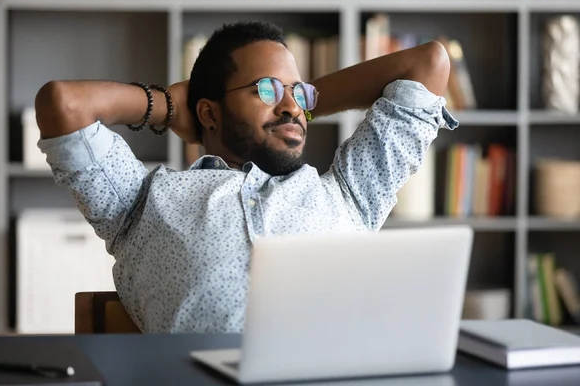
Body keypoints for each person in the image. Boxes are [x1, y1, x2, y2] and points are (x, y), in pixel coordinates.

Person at [35, 20, 457, 333]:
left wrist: (290, 104)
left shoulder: (351, 192)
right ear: (209, 112)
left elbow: (428, 63)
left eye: (300, 94)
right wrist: (167, 105)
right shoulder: (140, 202)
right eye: (266, 89)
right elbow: (64, 104)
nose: (293, 107)